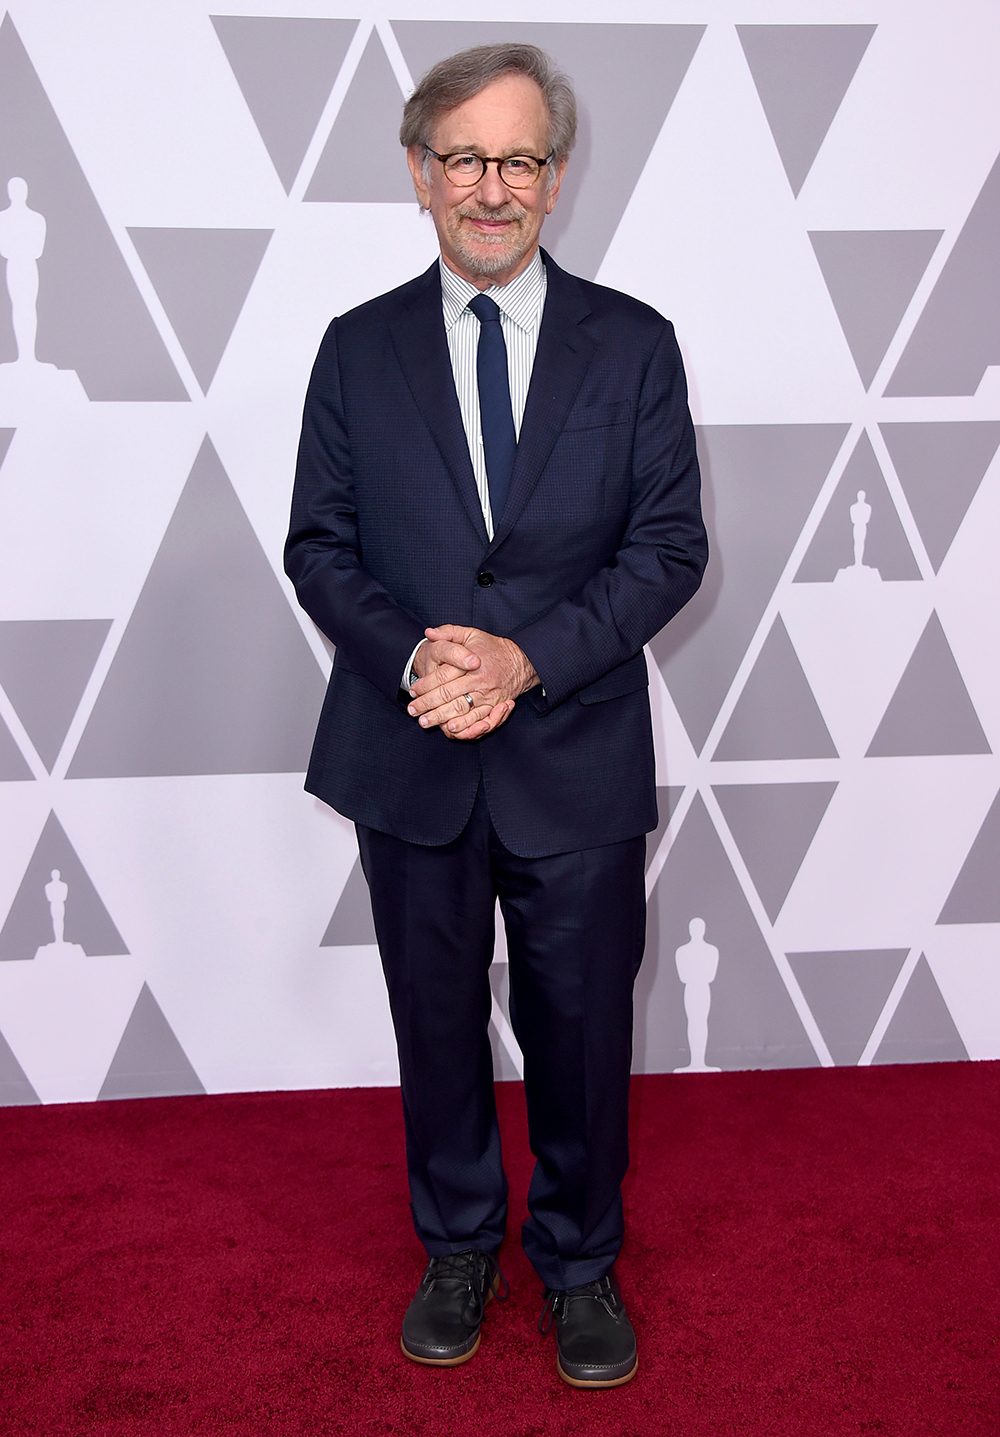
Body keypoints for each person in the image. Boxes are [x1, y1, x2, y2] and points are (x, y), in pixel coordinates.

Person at [285, 42, 707, 1389]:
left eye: (519, 158)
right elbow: (319, 546)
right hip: (407, 749)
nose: (491, 186)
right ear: (418, 173)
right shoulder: (354, 352)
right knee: (435, 1016)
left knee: (582, 1021)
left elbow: (668, 549)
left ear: (558, 177)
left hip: (574, 749)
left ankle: (580, 1259)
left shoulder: (635, 347)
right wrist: (427, 659)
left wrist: (523, 661)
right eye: (462, 156)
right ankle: (458, 1243)